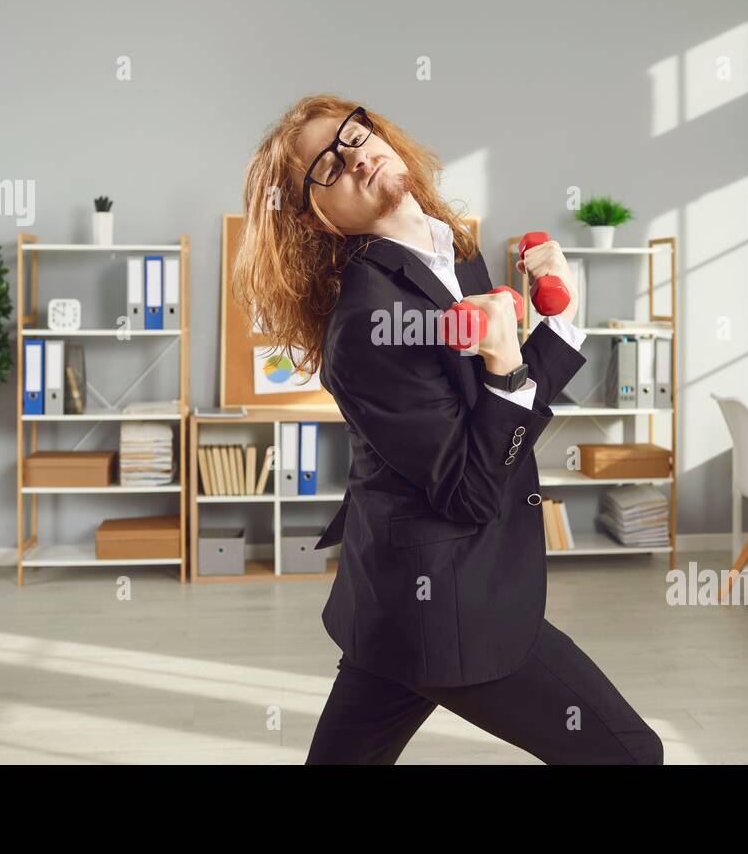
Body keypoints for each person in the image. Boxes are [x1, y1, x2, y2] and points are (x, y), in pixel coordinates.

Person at [236, 95, 663, 765]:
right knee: (630, 757)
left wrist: (559, 326)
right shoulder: (366, 322)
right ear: (316, 218)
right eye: (328, 165)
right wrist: (503, 366)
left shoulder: (452, 251)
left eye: (355, 133)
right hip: (448, 606)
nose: (355, 155)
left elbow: (502, 416)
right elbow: (471, 485)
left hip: (398, 598)